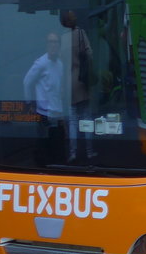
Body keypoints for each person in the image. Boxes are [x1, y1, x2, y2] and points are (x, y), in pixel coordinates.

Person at [24, 32, 66, 165]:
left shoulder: (60, 64)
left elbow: (59, 89)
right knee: (43, 145)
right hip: (44, 113)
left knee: (58, 146)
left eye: (56, 42)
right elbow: (27, 82)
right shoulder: (41, 63)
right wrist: (29, 103)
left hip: (58, 113)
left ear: (59, 45)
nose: (53, 45)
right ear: (46, 45)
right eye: (50, 42)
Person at [60, 10, 95, 161]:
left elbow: (62, 60)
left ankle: (73, 152)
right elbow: (90, 54)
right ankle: (89, 151)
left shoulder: (63, 37)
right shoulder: (81, 33)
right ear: (69, 21)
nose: (75, 16)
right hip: (82, 79)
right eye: (72, 15)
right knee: (86, 117)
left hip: (69, 81)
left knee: (73, 119)